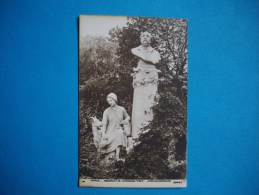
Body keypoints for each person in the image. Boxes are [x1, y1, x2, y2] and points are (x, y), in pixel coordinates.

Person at [131, 32, 161, 139]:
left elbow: (155, 60)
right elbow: (150, 59)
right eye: (143, 36)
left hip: (152, 76)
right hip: (140, 76)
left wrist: (148, 58)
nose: (145, 38)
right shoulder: (135, 50)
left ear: (150, 39)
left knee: (150, 104)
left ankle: (149, 134)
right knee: (139, 104)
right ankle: (137, 134)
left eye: (147, 36)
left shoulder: (155, 53)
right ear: (140, 38)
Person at [99, 93, 130, 161]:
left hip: (119, 129)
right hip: (110, 131)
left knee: (120, 132)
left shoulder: (122, 109)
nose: (109, 102)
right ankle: (115, 156)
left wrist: (124, 121)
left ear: (115, 100)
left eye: (111, 100)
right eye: (108, 101)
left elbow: (128, 117)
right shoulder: (106, 111)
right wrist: (103, 133)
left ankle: (117, 155)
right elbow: (104, 124)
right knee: (118, 134)